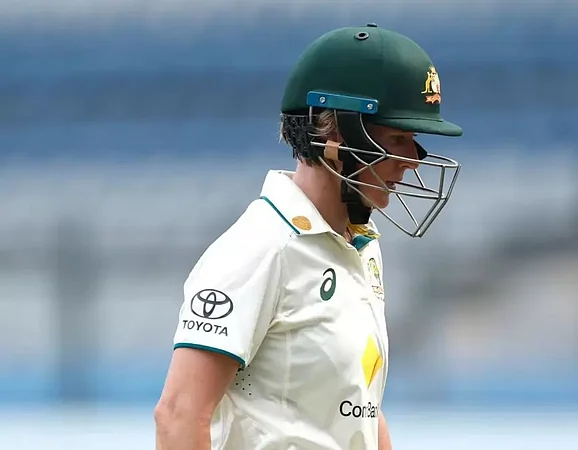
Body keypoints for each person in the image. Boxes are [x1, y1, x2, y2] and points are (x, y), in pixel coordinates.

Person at [154, 23, 462, 450]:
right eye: (398, 138)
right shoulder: (262, 248)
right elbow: (179, 415)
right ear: (334, 134)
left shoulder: (361, 246)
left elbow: (359, 407)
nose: (412, 160)